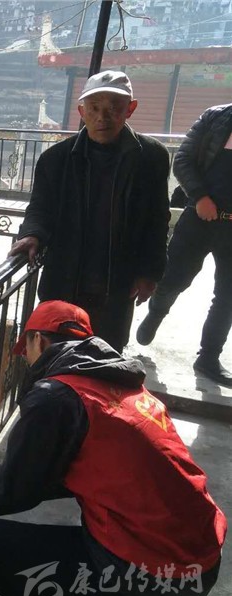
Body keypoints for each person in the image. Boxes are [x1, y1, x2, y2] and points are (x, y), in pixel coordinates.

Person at [0, 301, 226, 596]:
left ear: (39, 340)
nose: (26, 359)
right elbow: (68, 472)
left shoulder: (55, 397)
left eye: (26, 349)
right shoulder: (120, 382)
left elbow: (11, 493)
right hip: (200, 564)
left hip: (155, 577)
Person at [9, 71, 170, 353]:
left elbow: (157, 219)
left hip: (117, 282)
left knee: (103, 357)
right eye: (94, 108)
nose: (102, 117)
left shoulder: (151, 157)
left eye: (113, 108)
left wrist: (150, 271)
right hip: (64, 278)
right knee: (54, 356)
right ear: (81, 111)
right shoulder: (56, 159)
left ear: (130, 109)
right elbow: (40, 208)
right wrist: (32, 234)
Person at [136, 103, 232, 387]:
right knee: (174, 279)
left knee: (227, 296)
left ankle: (209, 357)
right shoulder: (216, 117)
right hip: (199, 217)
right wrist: (200, 197)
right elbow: (183, 160)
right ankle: (157, 312)